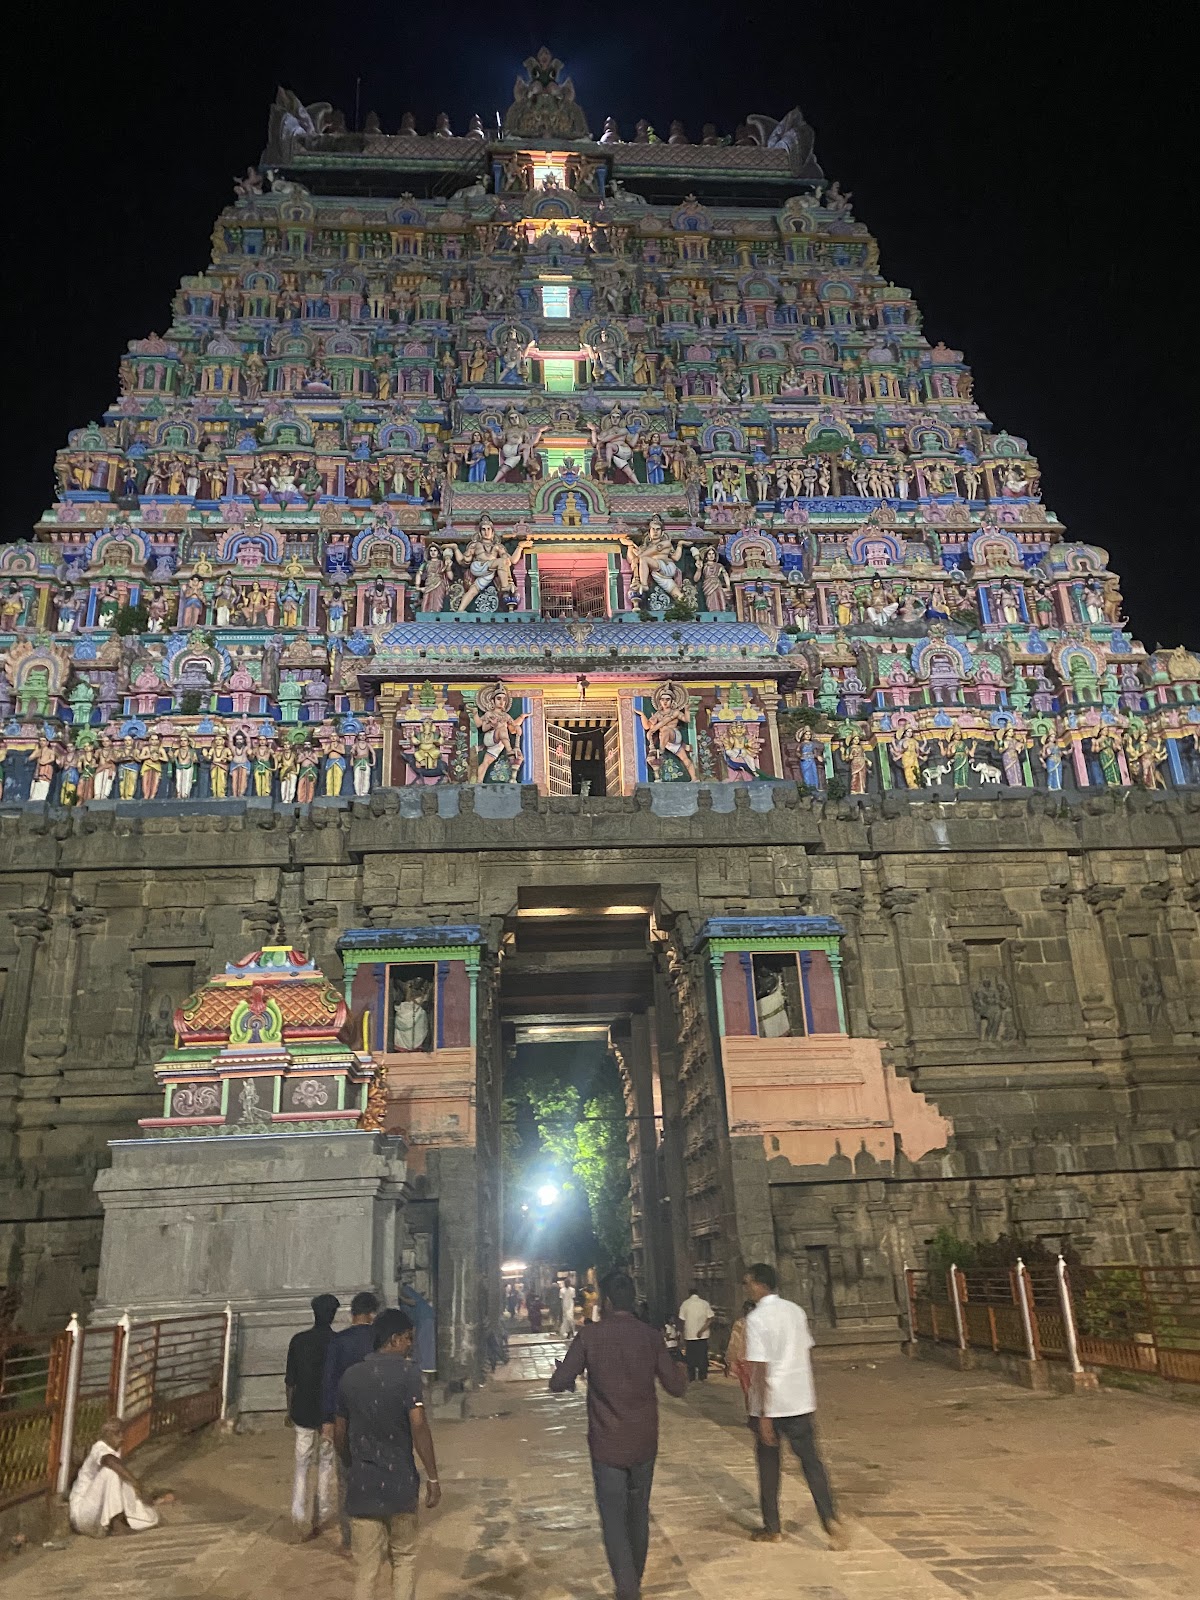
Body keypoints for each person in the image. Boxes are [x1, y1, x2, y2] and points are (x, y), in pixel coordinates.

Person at [549, 1270, 687, 1600]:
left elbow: (558, 1381)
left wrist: (566, 1376)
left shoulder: (590, 1337)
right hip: (643, 1443)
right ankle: (632, 1582)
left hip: (607, 1444)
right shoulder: (650, 1336)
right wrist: (680, 1361)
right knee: (638, 1514)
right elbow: (676, 1387)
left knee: (613, 1519)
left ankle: (627, 1589)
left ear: (606, 1301)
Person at [335, 1307, 442, 1600]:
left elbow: (339, 1432)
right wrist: (432, 1477)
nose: (410, 1345)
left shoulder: (350, 1377)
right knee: (404, 1559)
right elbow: (419, 1427)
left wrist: (350, 1462)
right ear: (395, 1339)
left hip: (363, 1486)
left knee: (367, 1570)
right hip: (400, 1485)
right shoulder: (408, 1374)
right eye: (408, 1339)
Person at [743, 1262, 848, 1549]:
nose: (746, 1288)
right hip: (800, 1401)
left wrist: (764, 1414)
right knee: (812, 1463)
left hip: (772, 1405)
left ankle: (772, 1527)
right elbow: (804, 1351)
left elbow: (761, 1368)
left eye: (747, 1283)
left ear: (758, 1284)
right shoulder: (796, 1312)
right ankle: (829, 1517)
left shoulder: (756, 1319)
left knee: (768, 1466)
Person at [322, 1290, 381, 1555]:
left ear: (352, 1314)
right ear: (373, 1314)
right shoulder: (382, 1341)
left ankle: (349, 1538)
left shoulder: (338, 1342)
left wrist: (327, 1420)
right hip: (378, 1417)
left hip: (345, 1419)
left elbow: (328, 1382)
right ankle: (378, 1537)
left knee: (346, 1477)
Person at [286, 1292, 340, 1540]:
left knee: (301, 1463)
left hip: (302, 1410)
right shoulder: (337, 1343)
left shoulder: (298, 1341)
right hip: (328, 1412)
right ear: (333, 1315)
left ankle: (299, 1516)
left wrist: (289, 1409)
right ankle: (322, 1513)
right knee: (326, 1462)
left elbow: (290, 1381)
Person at [68, 1416, 172, 1537]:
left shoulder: (114, 1451)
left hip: (96, 1516)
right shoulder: (99, 1447)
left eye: (122, 1432)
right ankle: (116, 1524)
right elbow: (110, 1461)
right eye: (117, 1433)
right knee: (112, 1472)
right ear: (107, 1434)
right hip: (82, 1515)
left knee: (122, 1477)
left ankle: (127, 1519)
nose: (122, 1437)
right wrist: (136, 1483)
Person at [398, 1282, 436, 1381]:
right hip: (424, 1319)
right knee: (424, 1346)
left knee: (423, 1346)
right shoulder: (410, 1294)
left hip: (423, 1320)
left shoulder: (405, 1294)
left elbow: (412, 1303)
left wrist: (401, 1298)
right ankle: (425, 1371)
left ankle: (425, 1371)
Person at [678, 1284, 714, 1381]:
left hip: (689, 1335)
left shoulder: (685, 1304)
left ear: (689, 1294)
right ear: (698, 1294)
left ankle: (692, 1377)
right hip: (703, 1335)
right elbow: (710, 1318)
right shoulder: (705, 1303)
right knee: (702, 1356)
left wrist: (682, 1334)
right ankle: (703, 1376)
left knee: (691, 1358)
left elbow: (682, 1320)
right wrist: (702, 1330)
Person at [723, 1300, 756, 1400]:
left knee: (748, 1389)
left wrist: (730, 1361)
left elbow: (734, 1343)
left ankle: (752, 1412)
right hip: (753, 1361)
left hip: (746, 1361)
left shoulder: (740, 1324)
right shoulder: (762, 1324)